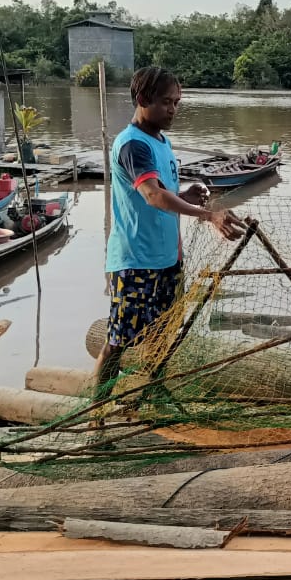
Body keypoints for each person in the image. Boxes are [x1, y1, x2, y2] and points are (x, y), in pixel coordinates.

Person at [95, 65, 246, 389]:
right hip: (136, 262)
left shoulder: (161, 141)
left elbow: (159, 192)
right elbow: (152, 196)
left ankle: (152, 392)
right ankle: (98, 412)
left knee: (163, 334)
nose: (173, 109)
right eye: (166, 101)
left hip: (168, 259)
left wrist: (183, 196)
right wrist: (208, 215)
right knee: (118, 341)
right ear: (142, 98)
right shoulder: (133, 145)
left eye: (177, 101)